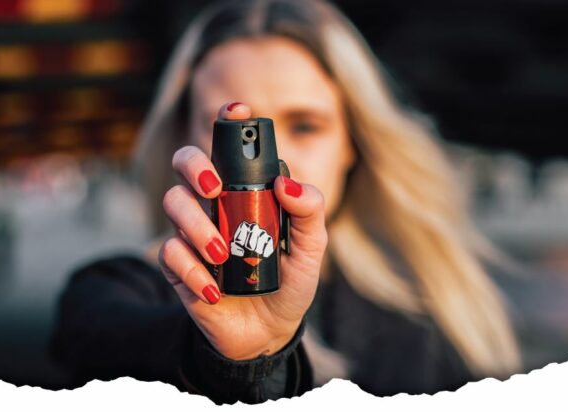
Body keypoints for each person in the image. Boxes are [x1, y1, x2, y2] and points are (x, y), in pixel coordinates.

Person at [49, 0, 523, 404]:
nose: (273, 165)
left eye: (304, 125)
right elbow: (99, 340)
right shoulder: (117, 289)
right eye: (235, 136)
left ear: (352, 144)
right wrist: (229, 360)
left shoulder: (435, 304)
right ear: (181, 139)